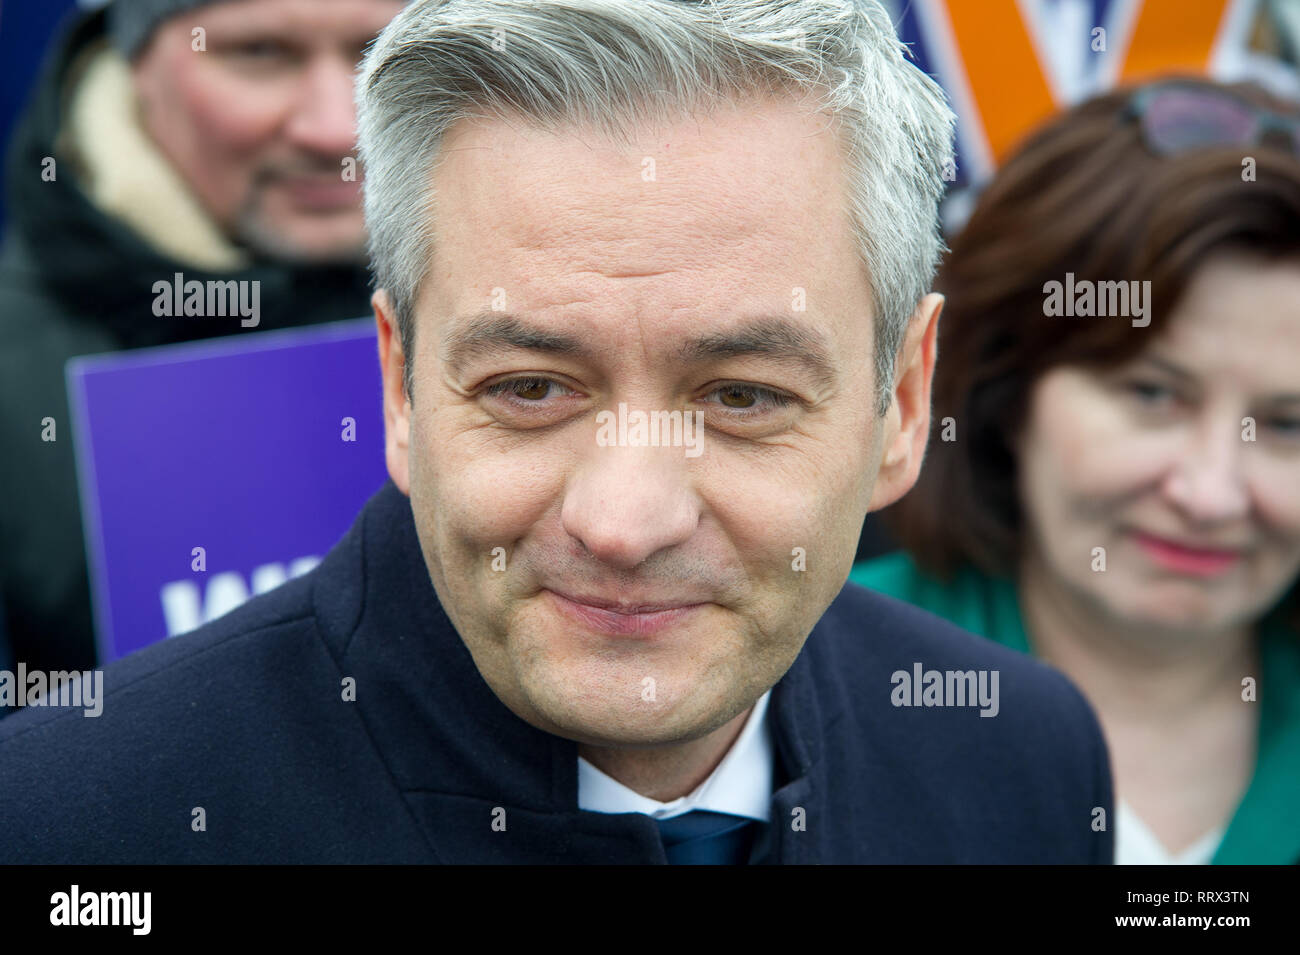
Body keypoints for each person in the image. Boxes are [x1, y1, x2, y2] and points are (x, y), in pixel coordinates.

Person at [0, 0, 1112, 864]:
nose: (625, 522)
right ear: (397, 385)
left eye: (742, 397)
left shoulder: (1025, 759)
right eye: (532, 388)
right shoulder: (65, 823)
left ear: (902, 403)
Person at [852, 77, 1300, 864]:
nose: (1210, 492)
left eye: (1290, 424)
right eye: (1153, 393)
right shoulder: (797, 672)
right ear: (1003, 388)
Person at [0, 0, 405, 677]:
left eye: (386, 46)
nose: (338, 127)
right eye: (260, 54)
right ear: (134, 65)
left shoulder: (558, 298)